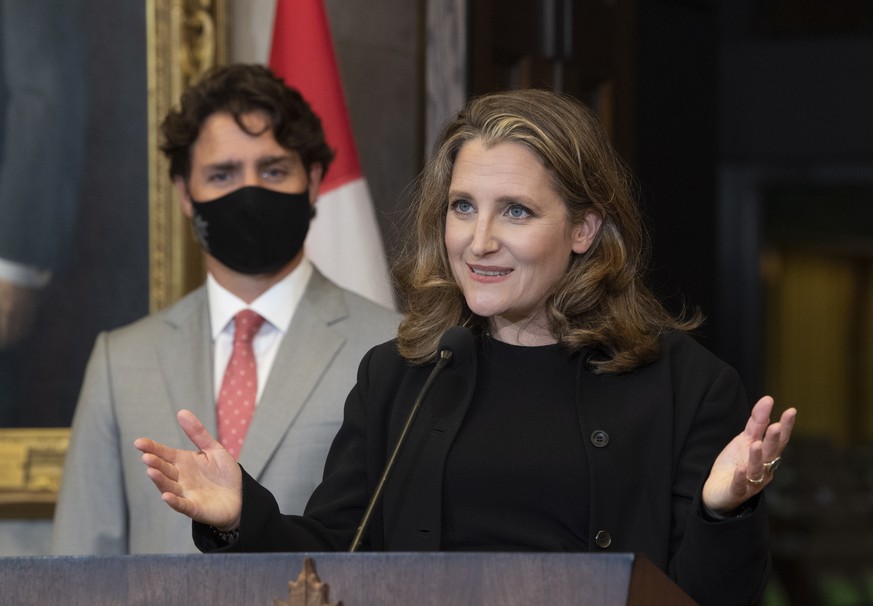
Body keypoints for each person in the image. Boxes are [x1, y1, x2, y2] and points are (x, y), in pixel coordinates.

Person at [134, 88, 796, 604]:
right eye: (461, 207)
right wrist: (243, 516)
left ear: (583, 229)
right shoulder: (399, 374)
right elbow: (335, 559)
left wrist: (723, 511)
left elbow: (714, 598)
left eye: (515, 210)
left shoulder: (687, 385)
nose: (478, 241)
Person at [51, 63, 399, 554]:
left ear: (315, 179)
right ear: (184, 194)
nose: (249, 192)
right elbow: (81, 563)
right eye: (222, 174)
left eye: (273, 170)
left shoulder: (395, 348)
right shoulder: (120, 360)